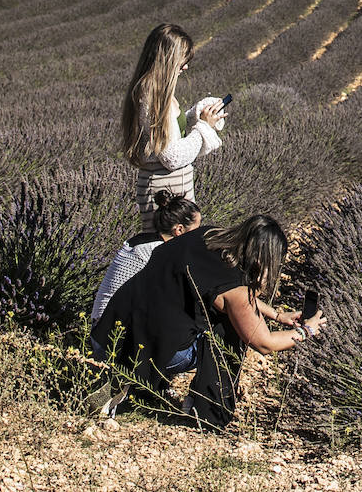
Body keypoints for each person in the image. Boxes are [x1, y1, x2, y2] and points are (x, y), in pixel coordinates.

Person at [92, 214, 326, 428]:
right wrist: (308, 330)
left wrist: (275, 314)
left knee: (217, 314)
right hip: (148, 353)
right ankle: (208, 410)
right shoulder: (236, 290)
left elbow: (227, 293)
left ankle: (129, 381)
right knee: (230, 329)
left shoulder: (205, 236)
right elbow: (264, 342)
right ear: (265, 259)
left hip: (110, 335)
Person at [120, 22, 225, 227]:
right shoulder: (151, 95)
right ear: (167, 59)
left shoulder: (158, 92)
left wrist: (197, 114)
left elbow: (170, 133)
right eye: (182, 61)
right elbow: (171, 155)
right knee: (168, 255)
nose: (185, 67)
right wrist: (203, 127)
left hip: (174, 188)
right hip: (163, 193)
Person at [91, 190, 202, 324]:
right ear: (179, 230)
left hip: (102, 324)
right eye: (197, 229)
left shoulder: (142, 241)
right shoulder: (156, 252)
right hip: (113, 330)